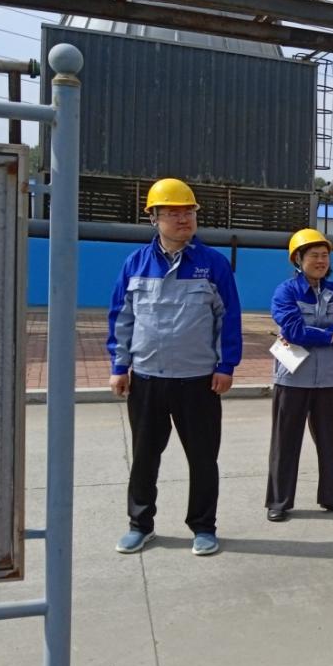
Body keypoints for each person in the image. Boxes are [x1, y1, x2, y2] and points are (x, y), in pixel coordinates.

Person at [107, 177, 242, 557]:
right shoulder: (135, 264)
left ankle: (203, 527)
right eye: (173, 212)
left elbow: (228, 318)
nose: (184, 219)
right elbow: (121, 318)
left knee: (203, 459)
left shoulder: (213, 264)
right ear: (154, 217)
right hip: (147, 379)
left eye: (189, 211)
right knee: (144, 457)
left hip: (198, 381)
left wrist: (226, 365)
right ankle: (140, 525)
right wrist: (119, 365)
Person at [265, 229, 333, 522]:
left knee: (330, 441)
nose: (320, 261)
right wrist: (332, 337)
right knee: (285, 442)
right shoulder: (285, 292)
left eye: (325, 256)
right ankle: (279, 501)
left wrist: (314, 334)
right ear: (298, 259)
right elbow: (293, 331)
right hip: (292, 378)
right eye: (314, 255)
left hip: (330, 379)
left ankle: (332, 497)